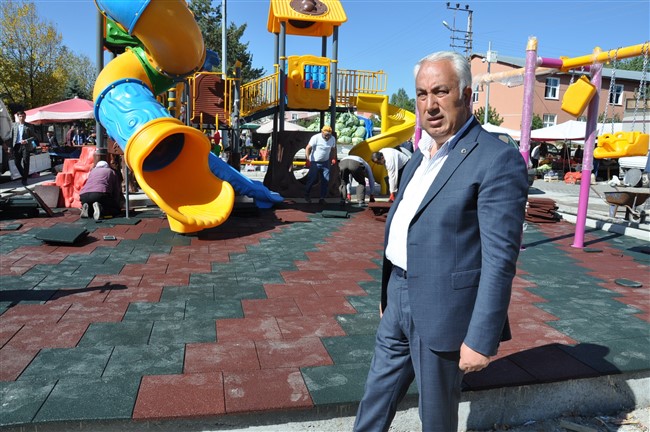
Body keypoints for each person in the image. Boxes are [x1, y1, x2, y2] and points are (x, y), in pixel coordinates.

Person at [353, 51, 528, 432]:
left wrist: (481, 338)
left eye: (440, 91)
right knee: (375, 399)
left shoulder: (496, 160)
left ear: (466, 95)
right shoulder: (420, 157)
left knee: (436, 417)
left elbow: (500, 259)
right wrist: (389, 293)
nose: (429, 105)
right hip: (398, 296)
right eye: (421, 94)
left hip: (444, 310)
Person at [304, 125, 337, 204]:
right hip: (315, 162)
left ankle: (322, 198)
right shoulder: (316, 138)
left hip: (325, 162)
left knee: (325, 180)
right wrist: (308, 159)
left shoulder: (332, 139)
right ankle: (307, 195)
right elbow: (308, 148)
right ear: (322, 132)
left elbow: (333, 149)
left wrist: (333, 158)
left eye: (329, 135)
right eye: (326, 135)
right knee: (312, 179)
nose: (327, 137)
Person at [9, 110, 37, 185]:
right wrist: (10, 147)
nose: (22, 118)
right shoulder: (14, 125)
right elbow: (11, 137)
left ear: (25, 117)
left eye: (23, 116)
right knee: (17, 162)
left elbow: (34, 137)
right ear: (18, 117)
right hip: (17, 146)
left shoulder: (29, 126)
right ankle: (24, 175)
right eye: (20, 116)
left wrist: (26, 141)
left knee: (26, 162)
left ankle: (24, 180)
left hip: (26, 146)